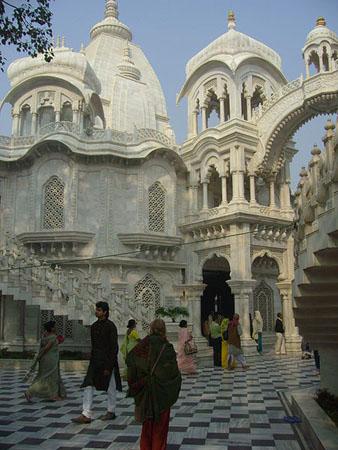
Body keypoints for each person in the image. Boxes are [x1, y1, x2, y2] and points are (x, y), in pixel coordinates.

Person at [127, 319, 182, 450]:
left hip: (146, 393)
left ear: (151, 329)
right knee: (160, 427)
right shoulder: (166, 347)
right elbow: (173, 373)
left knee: (147, 427)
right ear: (164, 330)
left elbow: (131, 359)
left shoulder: (144, 344)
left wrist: (138, 381)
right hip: (161, 394)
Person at [72, 301, 122, 424]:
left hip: (107, 361)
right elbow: (94, 345)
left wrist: (109, 366)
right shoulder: (94, 326)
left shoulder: (111, 326)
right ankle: (86, 413)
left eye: (99, 310)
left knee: (110, 386)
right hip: (96, 361)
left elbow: (113, 347)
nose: (97, 312)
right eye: (96, 309)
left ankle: (111, 411)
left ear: (105, 312)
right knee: (88, 384)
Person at [24, 320, 66, 402]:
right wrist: (39, 355)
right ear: (52, 328)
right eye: (54, 326)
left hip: (46, 359)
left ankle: (53, 395)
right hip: (50, 360)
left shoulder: (45, 335)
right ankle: (30, 392)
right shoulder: (53, 337)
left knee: (46, 376)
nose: (56, 327)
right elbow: (47, 348)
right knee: (49, 377)